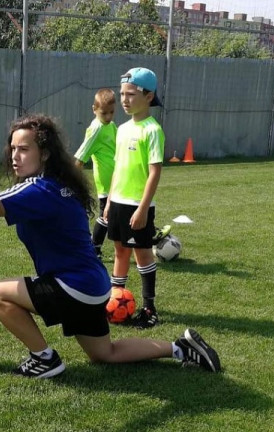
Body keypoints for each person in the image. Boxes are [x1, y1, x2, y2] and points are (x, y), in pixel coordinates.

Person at [0, 113, 221, 378]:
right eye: (12, 148)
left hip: (75, 286)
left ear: (45, 154)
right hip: (93, 285)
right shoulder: (57, 187)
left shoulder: (40, 190)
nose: (14, 155)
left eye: (24, 149)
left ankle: (44, 359)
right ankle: (181, 347)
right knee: (103, 353)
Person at [104, 67, 166, 329]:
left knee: (142, 254)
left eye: (131, 94)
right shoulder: (121, 129)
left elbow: (154, 173)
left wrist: (142, 208)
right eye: (122, 94)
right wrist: (108, 201)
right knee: (120, 249)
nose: (125, 100)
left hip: (137, 206)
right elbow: (118, 167)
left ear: (149, 96)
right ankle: (116, 301)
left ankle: (149, 308)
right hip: (118, 202)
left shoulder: (152, 130)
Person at [73, 88, 117, 261]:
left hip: (118, 176)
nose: (108, 117)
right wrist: (72, 180)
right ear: (94, 109)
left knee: (116, 212)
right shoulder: (96, 129)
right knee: (107, 213)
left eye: (111, 112)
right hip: (106, 179)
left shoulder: (111, 126)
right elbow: (80, 156)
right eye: (104, 113)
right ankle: (94, 247)